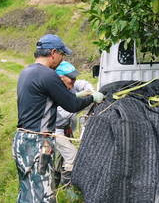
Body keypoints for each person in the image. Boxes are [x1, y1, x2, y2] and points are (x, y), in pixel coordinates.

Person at [12, 34, 96, 203]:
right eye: (62, 54)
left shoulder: (26, 72)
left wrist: (75, 94)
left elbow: (44, 102)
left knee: (28, 191)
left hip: (21, 140)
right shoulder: (48, 75)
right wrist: (93, 98)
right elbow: (72, 105)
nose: (62, 58)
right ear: (53, 53)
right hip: (38, 143)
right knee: (43, 195)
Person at [54, 61, 103, 185]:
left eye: (75, 78)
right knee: (72, 156)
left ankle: (56, 181)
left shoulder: (71, 84)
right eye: (71, 79)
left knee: (60, 158)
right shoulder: (54, 92)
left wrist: (90, 91)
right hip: (55, 130)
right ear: (61, 78)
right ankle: (67, 187)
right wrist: (87, 99)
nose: (74, 81)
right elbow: (68, 111)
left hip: (66, 127)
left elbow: (84, 84)